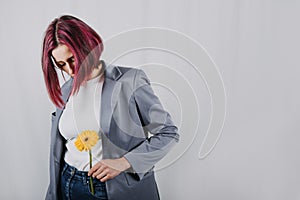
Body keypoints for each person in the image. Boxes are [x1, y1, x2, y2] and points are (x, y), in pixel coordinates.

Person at [41, 15, 179, 200]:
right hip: (68, 183)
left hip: (113, 189)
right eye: (61, 65)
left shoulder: (130, 81)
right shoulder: (66, 91)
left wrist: (125, 162)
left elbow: (168, 133)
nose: (70, 70)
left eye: (72, 59)